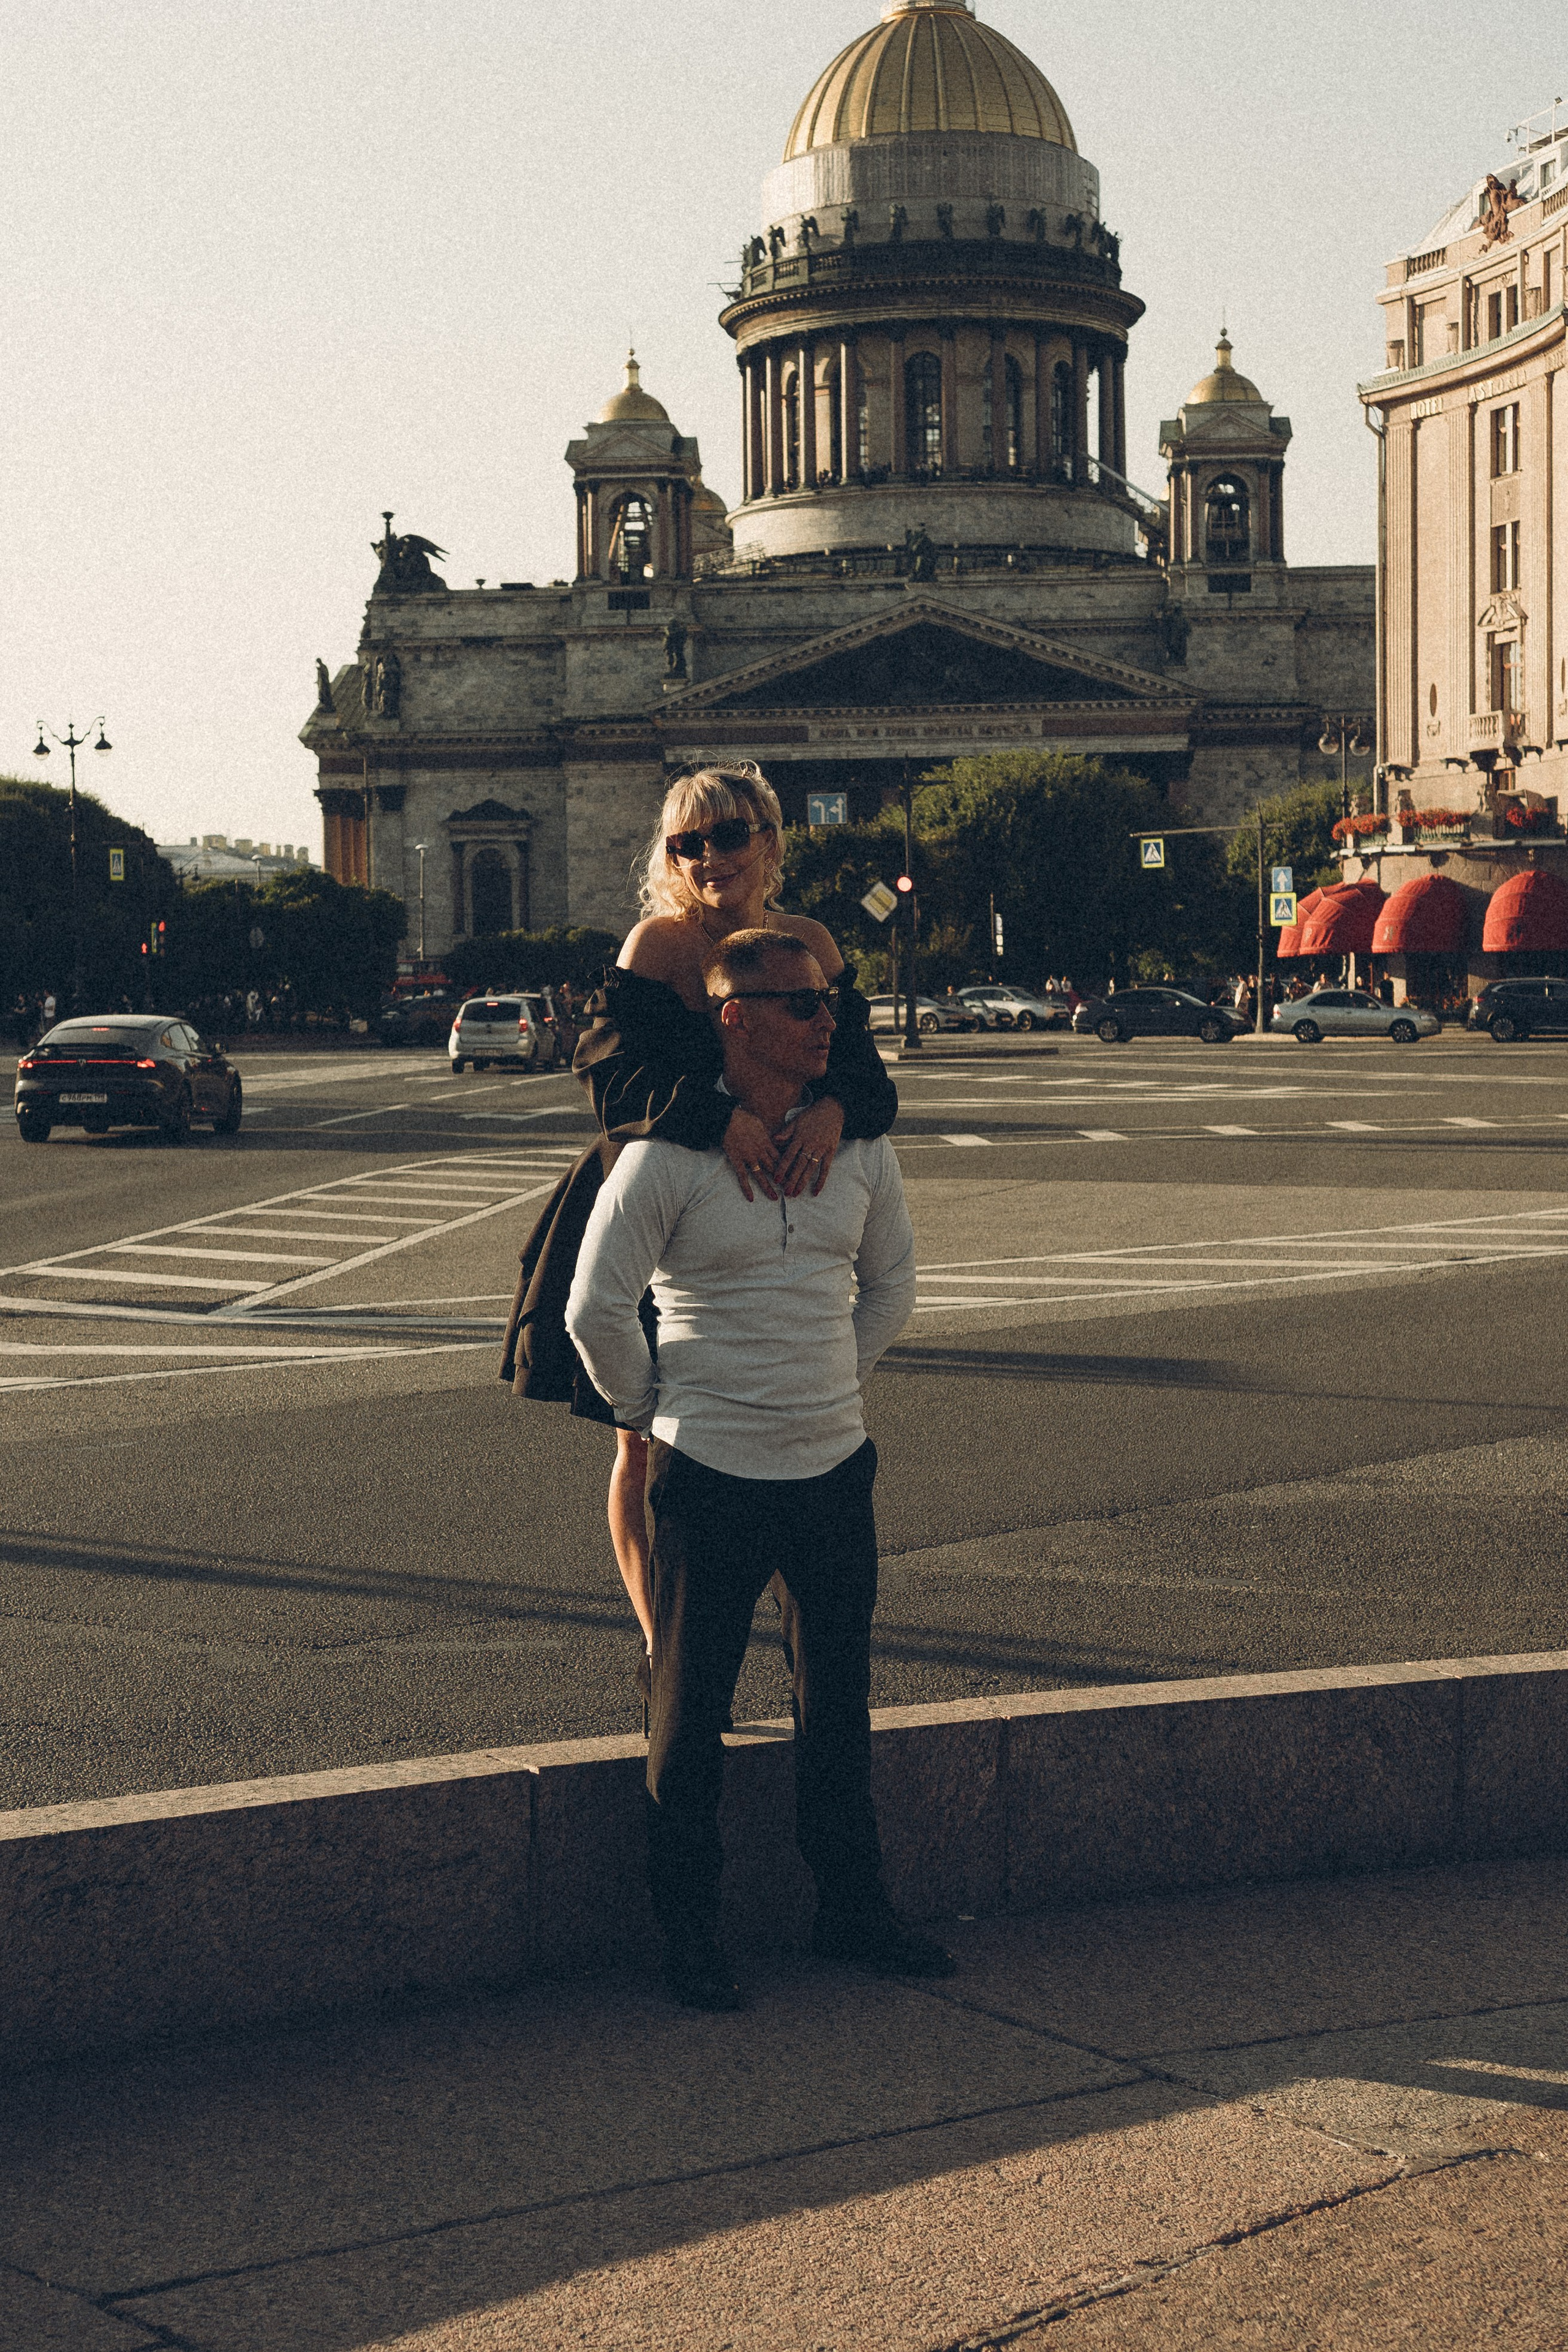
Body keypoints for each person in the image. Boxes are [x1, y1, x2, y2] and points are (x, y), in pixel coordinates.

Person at [565, 927, 952, 2010]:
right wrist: (651, 1410)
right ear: (733, 1019)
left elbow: (894, 1289)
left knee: (840, 1703)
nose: (830, 1020)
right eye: (800, 1006)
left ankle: (852, 1907)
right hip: (710, 1466)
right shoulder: (666, 1156)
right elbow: (594, 1306)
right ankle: (689, 1932)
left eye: (828, 1001)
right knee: (691, 1711)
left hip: (835, 1461)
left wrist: (830, 1381)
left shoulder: (860, 1146)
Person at [502, 764, 895, 1710]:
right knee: (646, 1443)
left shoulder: (808, 944)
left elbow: (869, 1076)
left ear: (769, 838)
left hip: (773, 1217)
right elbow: (611, 1085)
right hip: (653, 1205)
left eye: (730, 834)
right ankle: (664, 1643)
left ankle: (751, 1634)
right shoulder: (657, 943)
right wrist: (720, 1119)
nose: (711, 856)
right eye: (689, 842)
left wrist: (836, 1107)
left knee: (768, 1450)